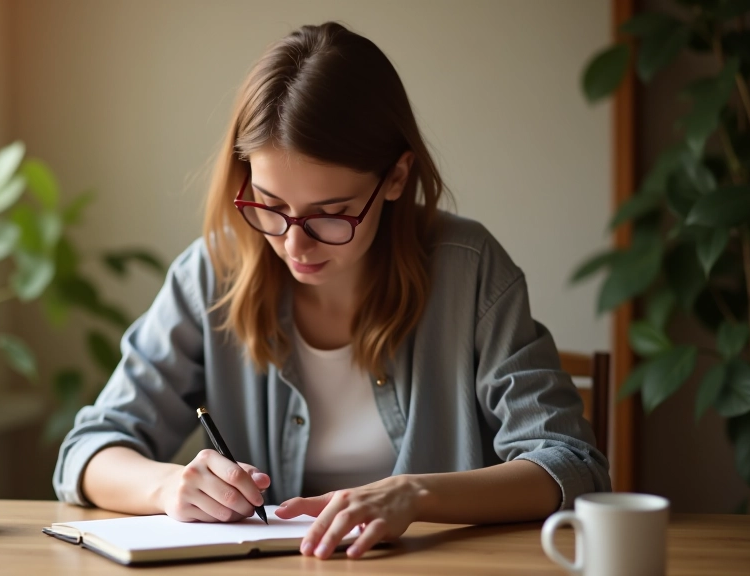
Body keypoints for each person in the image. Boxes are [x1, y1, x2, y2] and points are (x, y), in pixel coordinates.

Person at [53, 21, 610, 560]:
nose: (295, 244)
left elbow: (572, 463)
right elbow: (87, 452)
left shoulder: (469, 270)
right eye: (270, 206)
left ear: (395, 178)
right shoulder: (213, 273)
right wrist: (168, 487)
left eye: (332, 213)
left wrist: (414, 495)